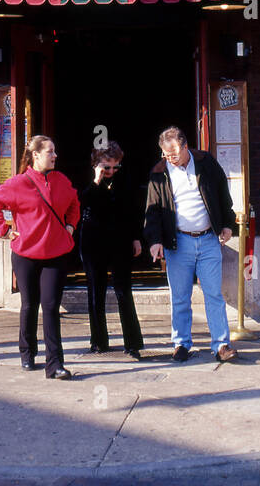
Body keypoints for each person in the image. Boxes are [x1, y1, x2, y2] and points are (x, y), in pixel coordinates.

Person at [0, 135, 80, 379]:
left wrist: (70, 225)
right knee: (29, 304)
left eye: (54, 151)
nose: (55, 155)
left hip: (56, 253)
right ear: (36, 155)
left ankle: (55, 364)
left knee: (50, 307)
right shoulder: (19, 183)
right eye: (50, 151)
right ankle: (27, 354)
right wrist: (3, 229)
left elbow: (74, 204)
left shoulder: (61, 181)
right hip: (25, 253)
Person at [144, 126, 238, 363]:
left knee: (214, 294)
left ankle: (221, 344)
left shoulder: (206, 162)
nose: (170, 159)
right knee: (180, 296)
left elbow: (222, 194)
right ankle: (181, 343)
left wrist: (228, 224)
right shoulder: (159, 172)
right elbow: (152, 210)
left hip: (207, 238)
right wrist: (155, 240)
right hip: (178, 242)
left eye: (174, 153)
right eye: (166, 154)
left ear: (186, 147)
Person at [78, 141, 144, 359]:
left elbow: (134, 210)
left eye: (116, 166)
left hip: (120, 238)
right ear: (97, 164)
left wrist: (136, 238)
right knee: (96, 291)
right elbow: (82, 203)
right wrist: (96, 180)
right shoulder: (88, 180)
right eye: (107, 167)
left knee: (123, 290)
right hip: (93, 240)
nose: (111, 171)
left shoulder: (125, 179)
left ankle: (132, 342)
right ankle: (98, 341)